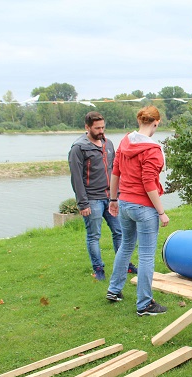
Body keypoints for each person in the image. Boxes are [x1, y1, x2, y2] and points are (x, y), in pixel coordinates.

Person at [105, 105, 169, 316]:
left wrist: (113, 199)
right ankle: (144, 304)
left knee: (125, 246)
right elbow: (149, 182)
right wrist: (161, 212)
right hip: (143, 207)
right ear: (156, 123)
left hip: (124, 204)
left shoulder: (125, 141)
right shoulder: (153, 150)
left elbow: (115, 172)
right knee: (146, 255)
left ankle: (114, 290)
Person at [69, 111, 137, 281]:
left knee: (119, 231)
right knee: (94, 235)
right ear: (87, 127)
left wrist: (118, 193)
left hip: (111, 197)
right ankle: (98, 268)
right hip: (92, 199)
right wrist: (82, 203)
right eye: (97, 128)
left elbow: (116, 170)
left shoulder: (108, 144)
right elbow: (76, 177)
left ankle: (125, 265)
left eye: (103, 127)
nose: (101, 131)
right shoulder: (79, 148)